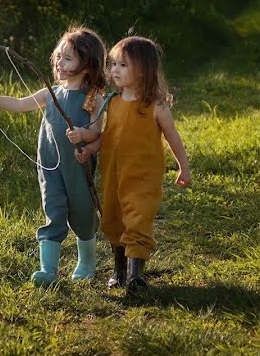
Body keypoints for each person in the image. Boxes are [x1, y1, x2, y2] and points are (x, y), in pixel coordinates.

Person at [0, 27, 107, 287]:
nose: (59, 62)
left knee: (82, 212)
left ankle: (86, 262)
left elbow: (97, 131)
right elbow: (19, 104)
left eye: (68, 58)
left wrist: (83, 134)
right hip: (50, 167)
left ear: (87, 65)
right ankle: (48, 269)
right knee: (53, 209)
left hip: (78, 168)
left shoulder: (92, 97)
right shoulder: (50, 93)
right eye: (58, 56)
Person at [71, 36, 191, 292]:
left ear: (143, 70)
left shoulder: (154, 106)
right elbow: (108, 136)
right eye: (113, 64)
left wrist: (184, 167)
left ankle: (136, 275)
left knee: (137, 218)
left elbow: (173, 138)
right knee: (114, 219)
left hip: (143, 177)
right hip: (114, 173)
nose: (114, 70)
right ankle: (119, 270)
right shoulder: (112, 102)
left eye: (123, 65)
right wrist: (90, 149)